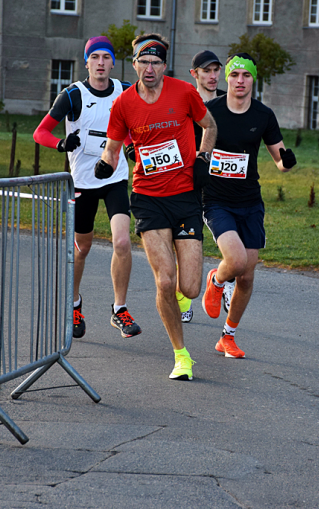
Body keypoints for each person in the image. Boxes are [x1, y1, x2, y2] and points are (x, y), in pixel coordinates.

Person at [95, 33, 217, 381]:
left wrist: (203, 157)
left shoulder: (184, 93)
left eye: (156, 62)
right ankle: (181, 356)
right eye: (143, 62)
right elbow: (113, 149)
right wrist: (105, 164)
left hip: (185, 195)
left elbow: (210, 125)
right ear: (133, 64)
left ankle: (195, 289)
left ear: (164, 66)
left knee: (189, 287)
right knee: (165, 281)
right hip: (147, 198)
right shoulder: (123, 105)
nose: (149, 68)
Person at [32, 36, 141, 340]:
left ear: (113, 63)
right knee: (83, 249)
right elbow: (40, 132)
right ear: (87, 62)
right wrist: (61, 143)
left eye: (106, 57)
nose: (101, 63)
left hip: (115, 179)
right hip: (83, 183)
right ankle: (75, 303)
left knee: (122, 243)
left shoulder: (124, 91)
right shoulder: (72, 95)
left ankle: (120, 310)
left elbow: (131, 129)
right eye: (96, 58)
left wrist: (131, 148)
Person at [200, 53, 297, 359]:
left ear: (254, 80)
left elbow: (279, 159)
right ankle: (216, 281)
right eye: (234, 75)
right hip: (216, 200)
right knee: (237, 260)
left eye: (246, 76)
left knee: (247, 276)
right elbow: (191, 150)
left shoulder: (263, 115)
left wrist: (286, 161)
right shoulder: (208, 111)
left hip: (249, 202)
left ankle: (227, 337)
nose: (240, 81)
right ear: (226, 79)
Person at [176, 49, 227, 324]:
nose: (212, 75)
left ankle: (223, 280)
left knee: (229, 236)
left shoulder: (227, 102)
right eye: (206, 70)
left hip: (220, 180)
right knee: (187, 239)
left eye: (216, 70)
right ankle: (183, 295)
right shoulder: (186, 100)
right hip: (190, 179)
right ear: (194, 74)